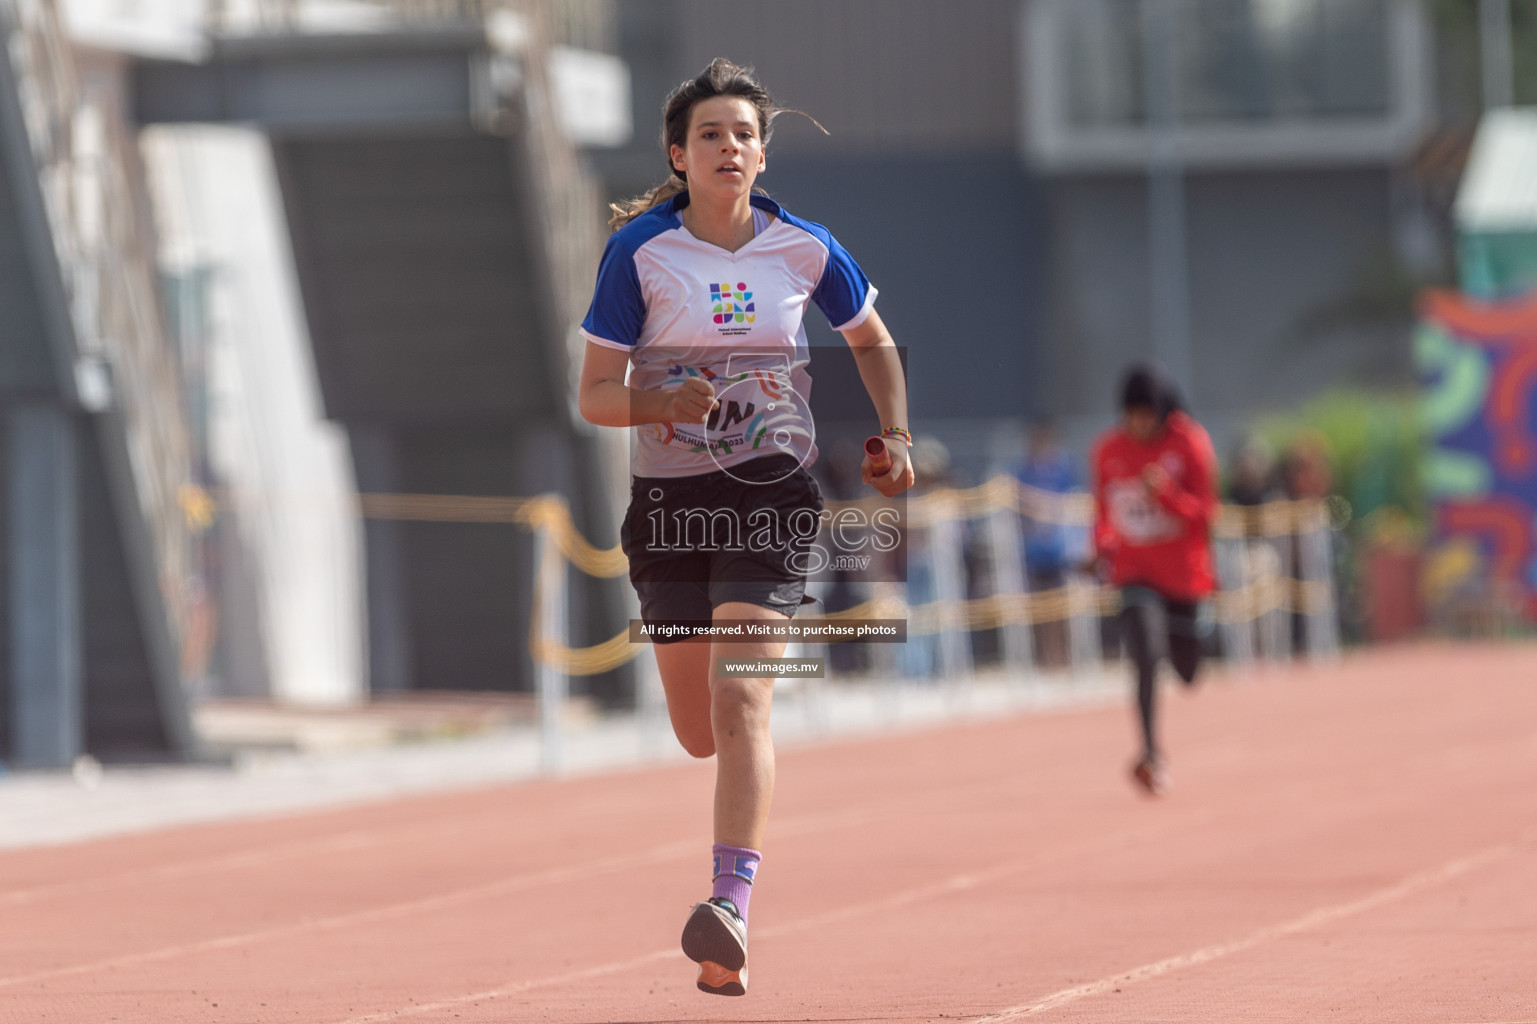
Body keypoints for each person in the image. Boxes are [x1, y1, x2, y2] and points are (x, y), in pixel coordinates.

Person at [577, 58, 914, 996]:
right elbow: (594, 395)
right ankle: (729, 872)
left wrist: (892, 432)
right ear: (678, 156)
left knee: (743, 702)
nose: (732, 147)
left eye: (745, 135)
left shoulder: (805, 248)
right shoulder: (640, 254)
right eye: (712, 135)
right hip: (671, 506)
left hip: (774, 495)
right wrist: (656, 399)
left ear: (763, 156)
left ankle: (729, 908)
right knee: (696, 729)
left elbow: (871, 342)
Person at [1090, 364, 1218, 796]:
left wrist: (1165, 493)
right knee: (1145, 652)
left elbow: (1205, 516)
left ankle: (1193, 650)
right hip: (1135, 573)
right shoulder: (1108, 451)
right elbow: (1104, 516)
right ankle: (1150, 754)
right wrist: (1101, 549)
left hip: (1183, 578)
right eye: (1132, 416)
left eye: (1147, 416)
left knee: (1186, 673)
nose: (1139, 425)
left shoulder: (1189, 442)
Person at [1012, 418, 1083, 669]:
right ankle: (1043, 655)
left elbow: (1072, 500)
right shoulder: (1024, 469)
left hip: (1059, 548)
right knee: (1038, 606)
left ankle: (1063, 654)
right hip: (1034, 550)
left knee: (1061, 604)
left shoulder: (1062, 468)